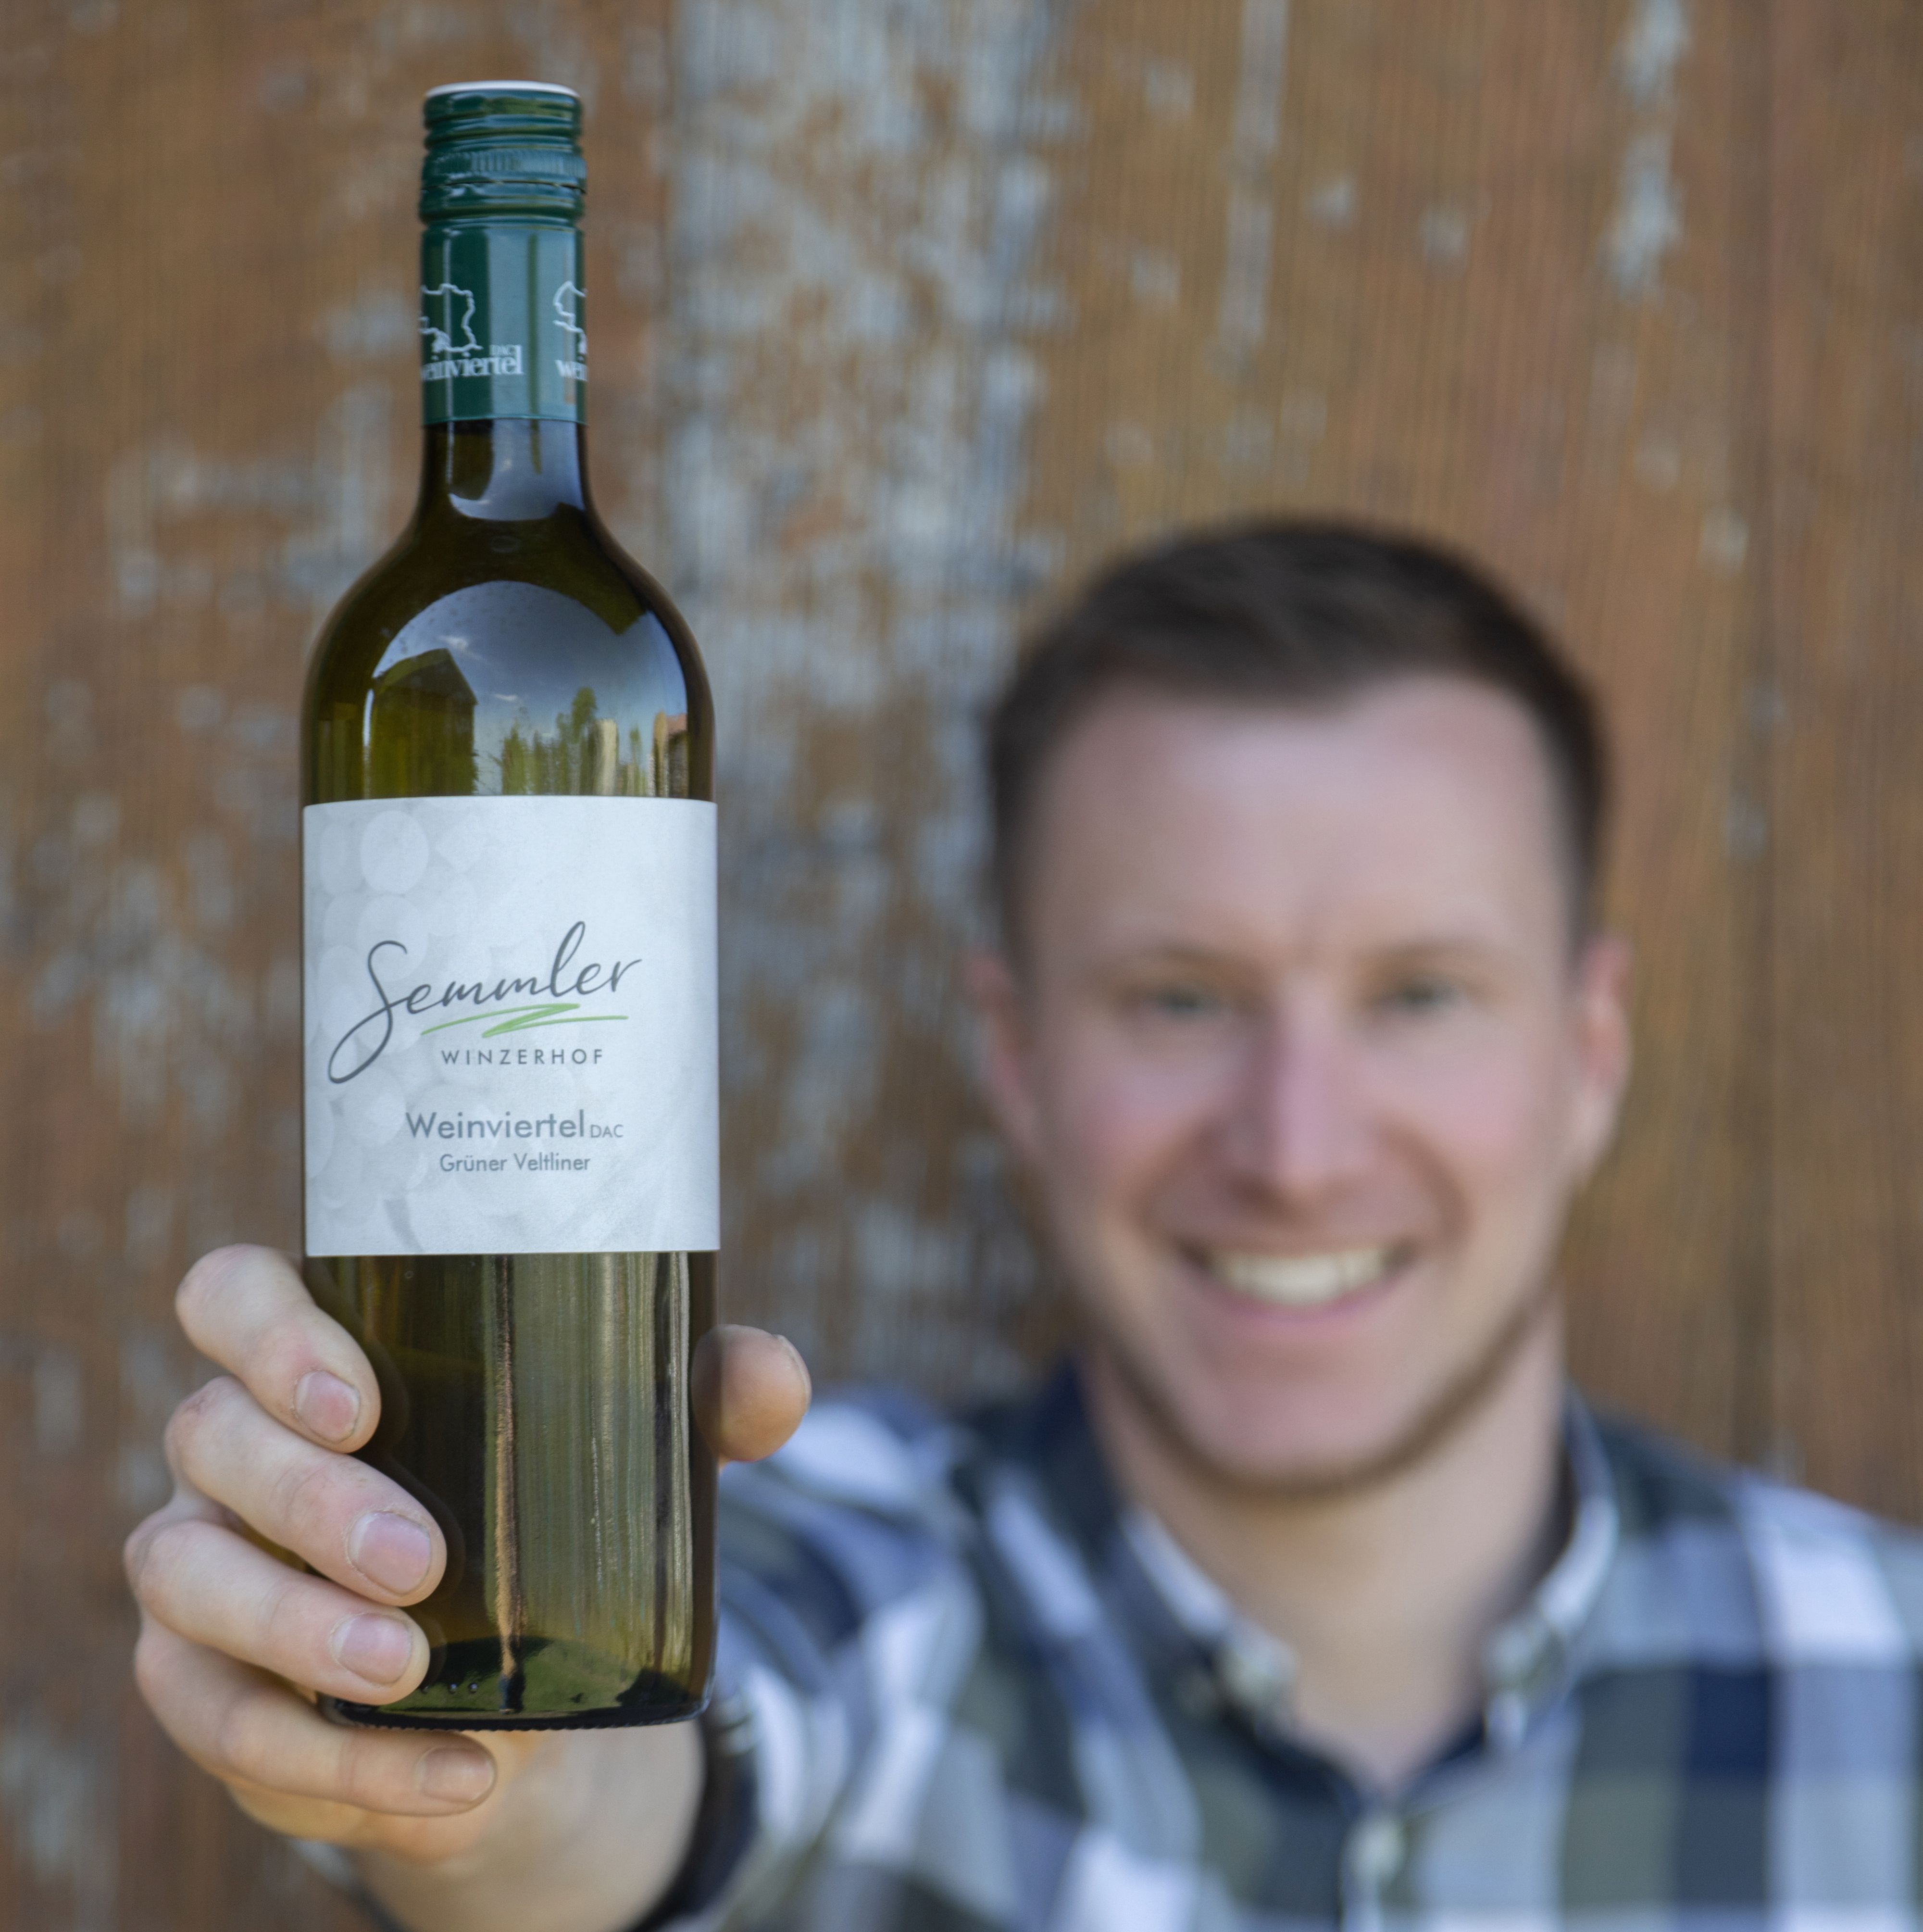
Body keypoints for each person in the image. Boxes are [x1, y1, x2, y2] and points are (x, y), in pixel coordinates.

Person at [125, 523, 1923, 1931]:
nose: (1294, 1152)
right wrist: (478, 1751)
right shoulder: (871, 1589)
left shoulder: (1890, 1686)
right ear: (1019, 1056)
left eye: (1423, 996)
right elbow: (641, 1790)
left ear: (1589, 1056)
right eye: (1181, 999)